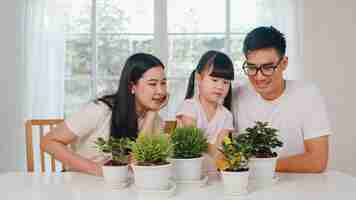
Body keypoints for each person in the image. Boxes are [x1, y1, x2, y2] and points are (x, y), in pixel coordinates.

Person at [40, 53, 169, 176]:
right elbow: (48, 142)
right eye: (153, 84)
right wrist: (98, 170)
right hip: (80, 182)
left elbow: (135, 165)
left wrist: (152, 114)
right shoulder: (100, 110)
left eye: (163, 83)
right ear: (132, 86)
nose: (160, 91)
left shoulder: (155, 121)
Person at [232, 26, 331, 173]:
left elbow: (317, 161)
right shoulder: (236, 96)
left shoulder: (307, 94)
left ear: (284, 63)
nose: (259, 76)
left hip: (299, 187)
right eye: (252, 67)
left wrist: (258, 167)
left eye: (268, 67)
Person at [176, 50, 235, 174]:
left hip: (213, 172)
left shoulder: (226, 115)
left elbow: (221, 148)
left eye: (226, 82)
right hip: (186, 170)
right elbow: (195, 141)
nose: (220, 86)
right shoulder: (189, 107)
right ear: (199, 78)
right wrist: (215, 150)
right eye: (214, 80)